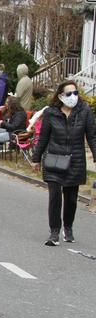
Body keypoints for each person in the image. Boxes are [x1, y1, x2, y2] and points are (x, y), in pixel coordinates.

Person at [31, 81, 96, 246]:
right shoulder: (51, 113)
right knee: (54, 197)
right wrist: (36, 158)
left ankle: (68, 227)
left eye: (75, 93)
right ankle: (54, 232)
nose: (73, 96)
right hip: (54, 159)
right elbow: (44, 137)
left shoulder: (85, 112)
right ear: (60, 96)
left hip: (75, 159)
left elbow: (92, 136)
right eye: (68, 94)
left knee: (71, 198)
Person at [0, 96, 27, 161]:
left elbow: (14, 126)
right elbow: (3, 120)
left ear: (12, 104)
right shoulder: (12, 112)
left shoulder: (20, 114)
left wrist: (3, 123)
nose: (5, 103)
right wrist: (1, 116)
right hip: (10, 131)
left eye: (7, 102)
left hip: (16, 133)